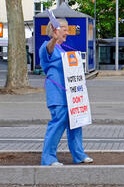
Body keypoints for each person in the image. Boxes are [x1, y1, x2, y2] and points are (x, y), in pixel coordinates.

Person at [39, 18, 93, 166]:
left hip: (71, 95)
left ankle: (79, 155)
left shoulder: (63, 49)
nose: (67, 32)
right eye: (64, 29)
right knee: (58, 123)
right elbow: (48, 51)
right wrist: (53, 40)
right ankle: (48, 158)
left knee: (76, 123)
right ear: (55, 30)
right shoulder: (46, 46)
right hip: (57, 94)